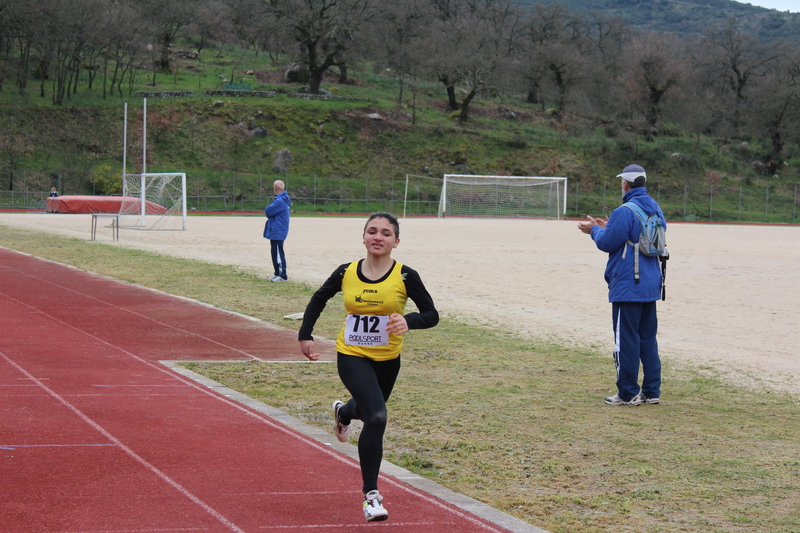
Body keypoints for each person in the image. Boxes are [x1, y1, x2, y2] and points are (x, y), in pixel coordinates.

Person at [298, 212, 439, 522]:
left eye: (386, 233)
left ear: (396, 242)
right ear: (363, 237)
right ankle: (371, 496)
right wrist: (305, 334)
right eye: (372, 231)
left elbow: (431, 314)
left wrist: (408, 321)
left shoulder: (405, 276)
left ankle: (343, 413)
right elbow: (318, 298)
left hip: (388, 360)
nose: (378, 237)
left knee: (365, 411)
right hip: (352, 355)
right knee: (376, 416)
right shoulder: (346, 271)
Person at [577, 164, 666, 406]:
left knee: (626, 340)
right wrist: (608, 228)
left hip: (628, 286)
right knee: (647, 338)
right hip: (650, 284)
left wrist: (595, 229)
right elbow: (639, 238)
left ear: (624, 184)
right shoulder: (655, 209)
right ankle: (651, 391)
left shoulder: (624, 211)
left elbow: (606, 243)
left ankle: (627, 393)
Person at [263, 180, 291, 282]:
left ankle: (283, 275)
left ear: (275, 188)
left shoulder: (280, 201)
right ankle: (277, 273)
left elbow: (268, 211)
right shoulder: (281, 199)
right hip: (276, 229)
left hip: (278, 230)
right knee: (275, 253)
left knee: (278, 253)